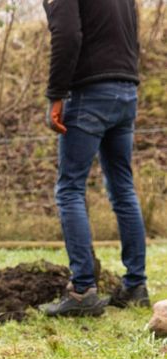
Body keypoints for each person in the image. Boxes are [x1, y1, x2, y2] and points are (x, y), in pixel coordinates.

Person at [42, 0, 149, 317]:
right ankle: (135, 285)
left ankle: (83, 290)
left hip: (89, 92)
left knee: (70, 188)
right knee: (123, 188)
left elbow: (66, 35)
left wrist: (55, 94)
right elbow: (133, 34)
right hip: (126, 89)